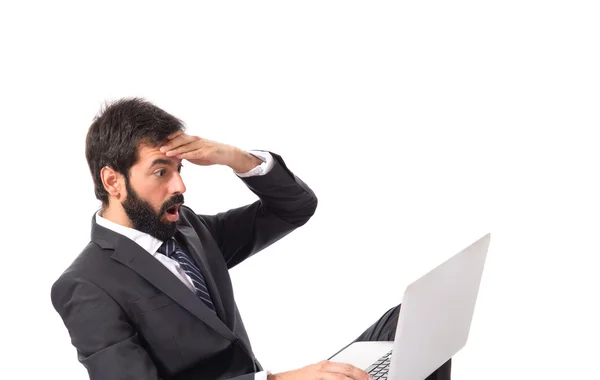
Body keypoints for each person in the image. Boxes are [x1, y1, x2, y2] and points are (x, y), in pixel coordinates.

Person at [51, 98, 452, 380]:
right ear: (112, 181)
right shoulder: (86, 285)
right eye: (161, 172)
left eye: (180, 167)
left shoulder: (190, 230)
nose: (180, 185)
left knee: (417, 319)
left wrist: (234, 158)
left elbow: (294, 208)